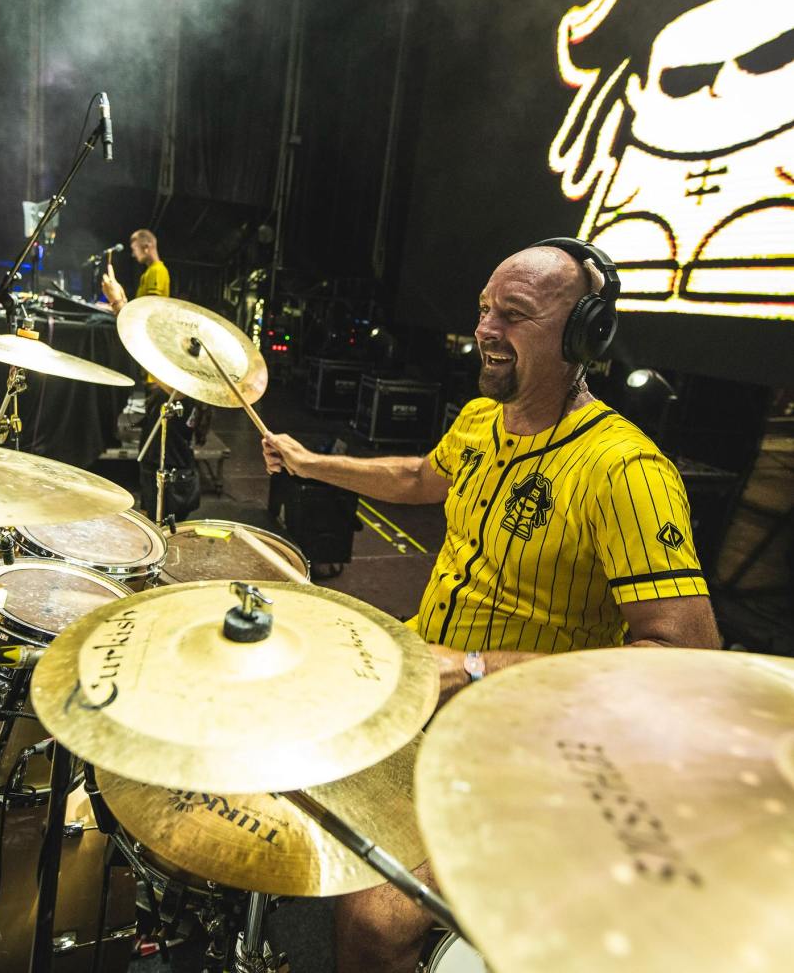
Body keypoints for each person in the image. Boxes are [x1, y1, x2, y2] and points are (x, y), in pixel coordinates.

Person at [262, 240, 721, 973]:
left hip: (528, 741)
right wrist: (312, 463)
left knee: (375, 920)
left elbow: (686, 661)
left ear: (583, 335)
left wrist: (475, 668)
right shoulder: (481, 419)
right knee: (263, 727)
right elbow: (419, 476)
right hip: (426, 680)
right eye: (483, 308)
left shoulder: (625, 471)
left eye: (513, 313)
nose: (484, 329)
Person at [102, 230, 200, 522]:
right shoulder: (150, 273)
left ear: (147, 246)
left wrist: (119, 304)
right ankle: (155, 508)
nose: (133, 254)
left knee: (161, 450)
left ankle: (162, 511)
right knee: (157, 446)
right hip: (157, 377)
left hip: (162, 379)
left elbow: (149, 319)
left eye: (135, 249)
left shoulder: (157, 272)